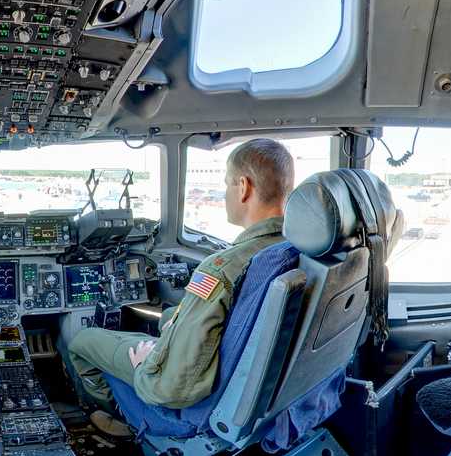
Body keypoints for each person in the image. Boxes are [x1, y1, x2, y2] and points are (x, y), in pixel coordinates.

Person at [66, 138, 293, 437]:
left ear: (244, 186)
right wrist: (176, 322)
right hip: (261, 391)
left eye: (226, 184)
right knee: (164, 318)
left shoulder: (222, 267)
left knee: (81, 341)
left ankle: (127, 419)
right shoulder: (293, 251)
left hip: (194, 405)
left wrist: (146, 369)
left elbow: (172, 388)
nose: (226, 193)